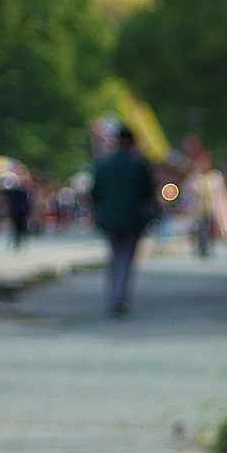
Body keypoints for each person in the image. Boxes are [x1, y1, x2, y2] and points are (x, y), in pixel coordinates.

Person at [91, 124, 158, 316]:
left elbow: (95, 192)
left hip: (110, 219)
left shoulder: (104, 163)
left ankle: (115, 293)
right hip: (132, 219)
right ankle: (118, 295)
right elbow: (148, 193)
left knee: (115, 255)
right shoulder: (138, 164)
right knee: (126, 258)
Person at [0, 173, 33, 250]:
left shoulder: (23, 192)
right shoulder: (14, 192)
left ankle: (20, 240)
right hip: (16, 212)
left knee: (21, 227)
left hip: (21, 213)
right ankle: (17, 241)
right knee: (16, 227)